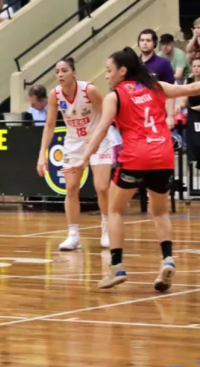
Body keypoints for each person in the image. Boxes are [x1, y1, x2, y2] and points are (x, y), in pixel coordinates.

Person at [65, 47, 200, 290]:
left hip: (137, 156)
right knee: (159, 213)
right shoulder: (155, 85)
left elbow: (102, 129)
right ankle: (167, 259)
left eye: (109, 70)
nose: (106, 76)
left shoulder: (114, 96)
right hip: (163, 154)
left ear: (122, 71)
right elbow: (192, 89)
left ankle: (116, 267)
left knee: (115, 210)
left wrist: (83, 158)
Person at [37, 58, 111, 251]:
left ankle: (107, 228)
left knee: (102, 187)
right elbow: (50, 125)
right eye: (57, 71)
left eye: (64, 70)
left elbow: (107, 114)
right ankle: (73, 234)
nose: (60, 74)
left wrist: (101, 137)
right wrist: (42, 154)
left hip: (98, 139)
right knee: (71, 187)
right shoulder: (55, 95)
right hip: (73, 143)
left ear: (74, 73)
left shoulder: (90, 90)